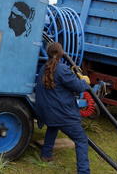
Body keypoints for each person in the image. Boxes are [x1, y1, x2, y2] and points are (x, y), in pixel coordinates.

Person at [35, 42, 90, 174]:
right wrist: (85, 81)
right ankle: (84, 171)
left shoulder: (44, 68)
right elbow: (79, 87)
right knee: (81, 140)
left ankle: (46, 154)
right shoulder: (62, 69)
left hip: (46, 112)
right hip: (62, 114)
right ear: (60, 54)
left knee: (53, 125)